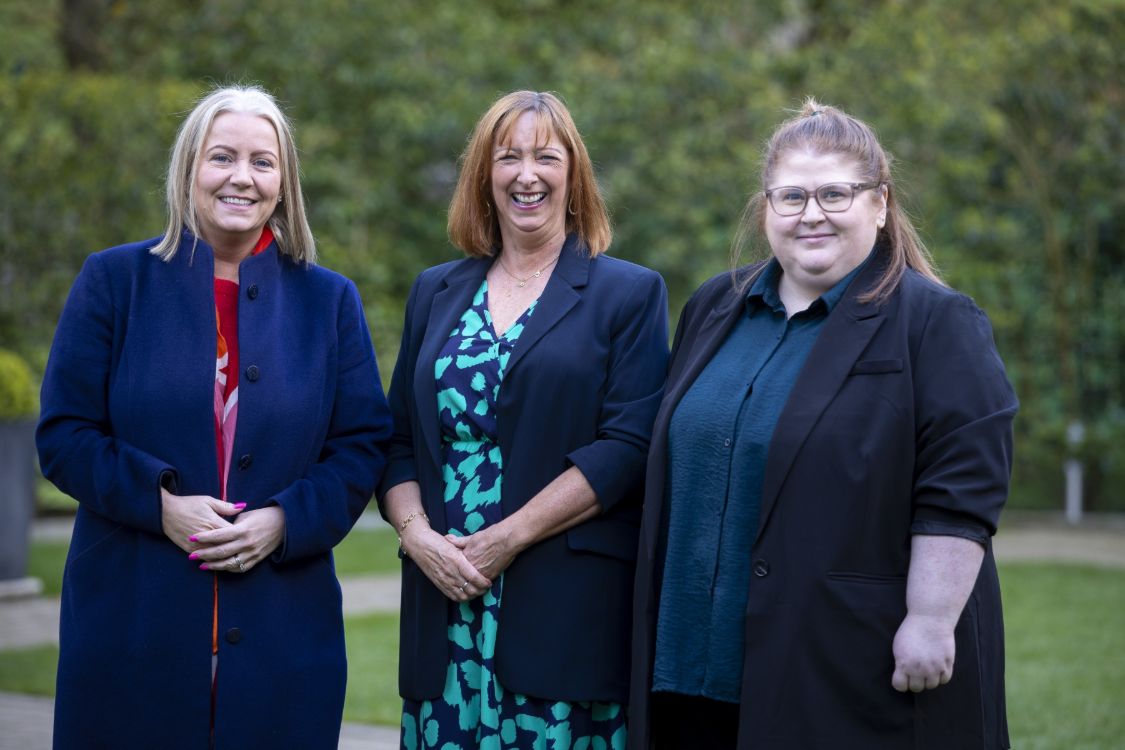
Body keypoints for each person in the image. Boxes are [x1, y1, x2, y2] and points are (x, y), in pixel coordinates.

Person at [628, 99, 1018, 749]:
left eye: (834, 194)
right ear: (765, 210)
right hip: (688, 663)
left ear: (880, 202)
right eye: (791, 197)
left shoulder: (933, 321)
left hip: (845, 659)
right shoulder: (712, 306)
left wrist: (930, 618)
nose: (812, 214)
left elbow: (962, 486)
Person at [36, 84, 392, 749]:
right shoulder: (114, 281)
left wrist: (285, 520)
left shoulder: (329, 300)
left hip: (283, 634)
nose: (241, 177)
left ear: (283, 183)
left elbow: (361, 447)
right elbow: (63, 435)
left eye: (262, 162)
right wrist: (159, 502)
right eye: (221, 156)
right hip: (132, 627)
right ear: (188, 171)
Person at [379, 90, 668, 749]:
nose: (526, 174)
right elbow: (397, 439)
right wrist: (417, 534)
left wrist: (504, 538)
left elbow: (627, 446)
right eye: (507, 157)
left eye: (545, 156)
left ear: (573, 175)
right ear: (484, 175)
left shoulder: (627, 293)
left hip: (560, 604)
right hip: (442, 601)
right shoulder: (435, 290)